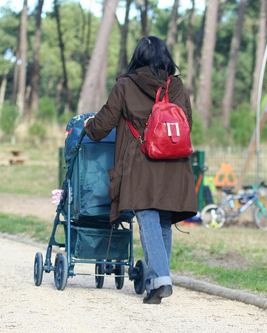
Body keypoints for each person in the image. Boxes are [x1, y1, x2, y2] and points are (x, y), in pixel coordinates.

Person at [84, 36, 197, 304]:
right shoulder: (177, 87)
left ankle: (160, 279)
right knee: (164, 220)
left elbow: (103, 124)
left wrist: (89, 125)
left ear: (138, 57)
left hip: (142, 162)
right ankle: (159, 278)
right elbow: (187, 124)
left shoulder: (126, 85)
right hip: (174, 163)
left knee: (147, 215)